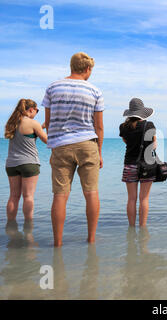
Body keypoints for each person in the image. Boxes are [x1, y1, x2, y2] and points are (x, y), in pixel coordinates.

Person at [42, 52, 104, 247]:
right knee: (91, 192)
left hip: (61, 145)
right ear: (87, 69)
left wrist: (54, 144)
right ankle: (91, 239)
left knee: (60, 195)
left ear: (71, 66)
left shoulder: (52, 87)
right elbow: (99, 127)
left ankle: (58, 243)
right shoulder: (95, 91)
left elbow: (49, 122)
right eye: (91, 70)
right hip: (87, 144)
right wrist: (99, 152)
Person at [4, 99, 47, 222]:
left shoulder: (12, 123)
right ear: (31, 110)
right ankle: (29, 226)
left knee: (13, 196)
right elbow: (47, 141)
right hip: (29, 163)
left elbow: (26, 138)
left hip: (11, 164)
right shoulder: (33, 123)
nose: (36, 113)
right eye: (37, 111)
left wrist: (41, 127)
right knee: (28, 196)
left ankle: (10, 224)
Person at [120, 98, 156, 227]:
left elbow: (126, 142)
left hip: (129, 164)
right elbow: (154, 146)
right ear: (142, 112)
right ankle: (143, 228)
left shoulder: (123, 127)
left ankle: (131, 228)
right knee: (144, 199)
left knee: (131, 199)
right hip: (146, 165)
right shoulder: (149, 125)